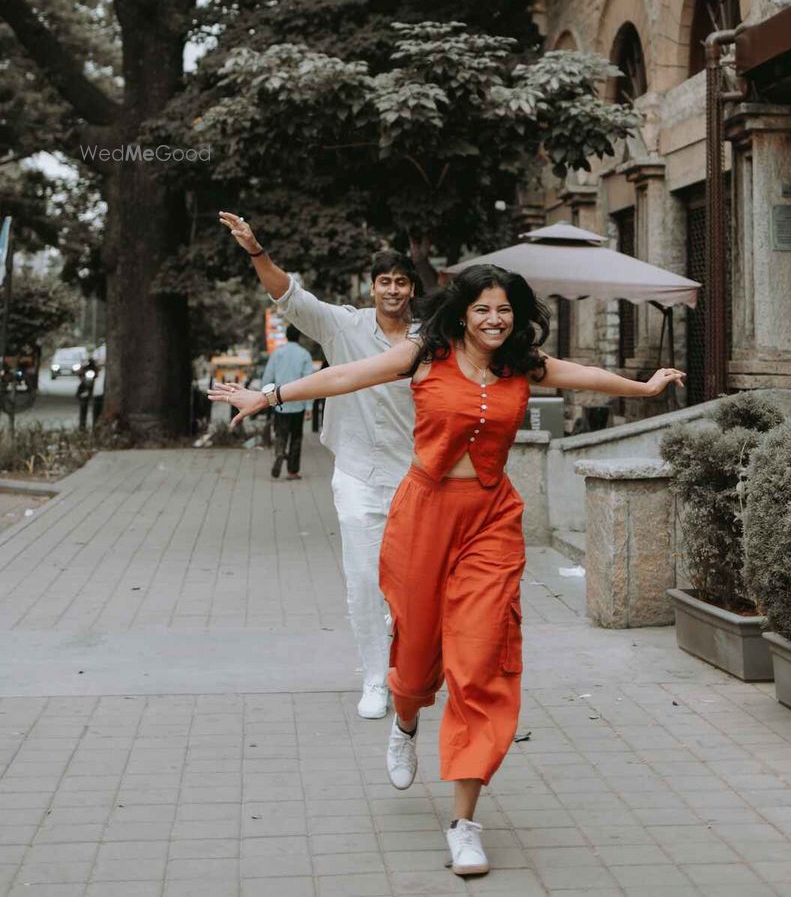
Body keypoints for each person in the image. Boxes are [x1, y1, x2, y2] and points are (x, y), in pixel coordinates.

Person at [214, 263, 684, 879]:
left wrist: (644, 388)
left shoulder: (522, 363)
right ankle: (405, 720)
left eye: (506, 310)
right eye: (484, 309)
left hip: (490, 523)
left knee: (479, 661)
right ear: (463, 312)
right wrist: (268, 396)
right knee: (413, 664)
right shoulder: (423, 354)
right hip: (424, 519)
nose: (496, 319)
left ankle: (465, 824)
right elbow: (347, 375)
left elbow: (583, 374)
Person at [218, 211, 419, 720]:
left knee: (411, 582)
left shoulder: (428, 341)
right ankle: (375, 678)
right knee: (363, 577)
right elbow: (288, 297)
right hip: (356, 473)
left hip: (417, 476)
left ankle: (407, 663)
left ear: (412, 289)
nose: (392, 290)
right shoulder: (342, 325)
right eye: (384, 281)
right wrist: (255, 250)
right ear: (372, 287)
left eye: (401, 281)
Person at [258, 326, 314, 479]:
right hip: (298, 403)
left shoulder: (277, 353)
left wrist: (267, 400)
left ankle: (280, 451)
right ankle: (292, 471)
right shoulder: (305, 355)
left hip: (279, 402)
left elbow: (267, 378)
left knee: (280, 433)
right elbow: (309, 382)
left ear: (286, 336)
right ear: (299, 337)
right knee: (296, 437)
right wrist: (309, 407)